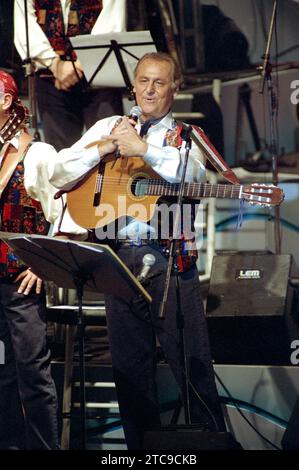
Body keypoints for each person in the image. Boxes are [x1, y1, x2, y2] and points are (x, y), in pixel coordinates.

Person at [43, 52, 226, 450]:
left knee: (192, 369)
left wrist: (143, 148)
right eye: (143, 81)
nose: (149, 90)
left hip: (170, 262)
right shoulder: (111, 125)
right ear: (134, 86)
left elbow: (192, 176)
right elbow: (58, 170)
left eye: (159, 83)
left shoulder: (187, 136)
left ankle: (215, 445)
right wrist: (104, 147)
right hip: (118, 261)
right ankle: (139, 452)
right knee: (129, 374)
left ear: (175, 88)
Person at [0, 71, 59, 450]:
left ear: (5, 102)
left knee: (32, 373)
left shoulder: (36, 152)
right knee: (1, 372)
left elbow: (63, 215)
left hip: (19, 281)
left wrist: (42, 265)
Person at [13, 0, 126, 151]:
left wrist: (79, 65)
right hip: (51, 80)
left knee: (110, 147)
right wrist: (55, 65)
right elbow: (24, 27)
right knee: (61, 154)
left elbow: (113, 21)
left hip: (99, 76)